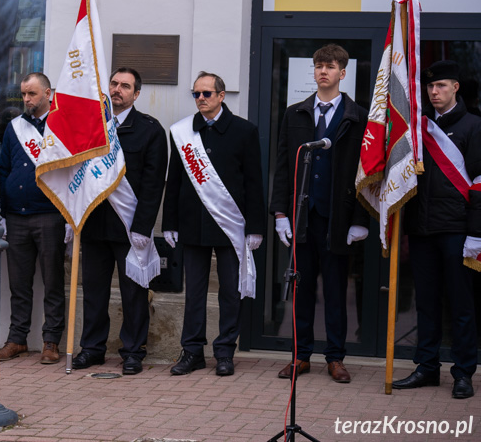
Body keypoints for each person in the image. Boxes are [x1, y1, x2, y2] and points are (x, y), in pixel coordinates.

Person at [270, 44, 368, 383]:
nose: (323, 71)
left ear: (343, 72)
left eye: (330, 66)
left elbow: (365, 173)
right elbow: (284, 165)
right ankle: (300, 355)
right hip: (302, 216)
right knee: (301, 287)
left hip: (337, 217)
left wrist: (359, 219)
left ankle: (336, 357)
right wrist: (281, 213)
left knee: (338, 291)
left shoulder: (358, 116)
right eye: (318, 66)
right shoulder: (294, 113)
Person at [162, 72, 266, 377]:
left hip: (230, 226)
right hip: (192, 225)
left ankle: (224, 352)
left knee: (230, 293)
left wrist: (255, 227)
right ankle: (192, 351)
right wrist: (169, 222)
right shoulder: (182, 132)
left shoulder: (244, 131)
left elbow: (253, 183)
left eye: (207, 94)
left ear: (222, 96)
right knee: (193, 292)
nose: (201, 99)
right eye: (196, 94)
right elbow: (176, 180)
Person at [72, 67, 167, 375]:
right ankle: (93, 348)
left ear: (136, 94)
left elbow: (153, 186)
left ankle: (133, 350)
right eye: (113, 83)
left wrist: (143, 228)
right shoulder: (91, 125)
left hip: (129, 228)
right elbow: (77, 174)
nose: (117, 90)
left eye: (125, 86)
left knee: (134, 294)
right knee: (95, 293)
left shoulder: (150, 130)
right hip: (95, 223)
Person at [394, 60, 480, 399]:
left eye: (441, 86)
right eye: (430, 87)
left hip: (458, 230)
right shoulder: (417, 128)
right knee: (426, 303)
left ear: (455, 87)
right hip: (422, 228)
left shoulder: (474, 126)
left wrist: (476, 233)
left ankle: (463, 373)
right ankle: (427, 367)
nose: (434, 92)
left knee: (460, 306)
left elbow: (478, 184)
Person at [0, 73, 70, 364]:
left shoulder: (62, 124)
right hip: (16, 216)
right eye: (23, 94)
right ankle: (17, 339)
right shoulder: (15, 127)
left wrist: (69, 217)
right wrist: (2, 211)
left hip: (50, 215)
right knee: (19, 284)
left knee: (52, 282)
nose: (26, 99)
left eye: (32, 94)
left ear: (48, 93)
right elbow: (4, 169)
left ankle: (51, 341)